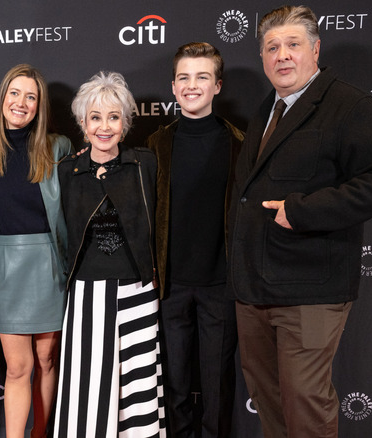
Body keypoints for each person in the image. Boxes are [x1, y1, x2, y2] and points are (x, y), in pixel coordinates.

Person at [228, 6, 372, 438]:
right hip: (254, 289)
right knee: (269, 402)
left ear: (315, 49)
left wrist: (303, 210)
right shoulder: (267, 110)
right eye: (272, 47)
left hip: (310, 288)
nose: (282, 55)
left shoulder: (349, 105)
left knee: (305, 403)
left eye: (293, 45)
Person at [55, 71, 166, 438]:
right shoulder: (67, 172)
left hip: (137, 290)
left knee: (139, 386)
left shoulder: (144, 164)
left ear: (126, 123)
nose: (105, 127)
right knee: (86, 394)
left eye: (114, 117)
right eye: (96, 117)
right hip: (86, 293)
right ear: (83, 123)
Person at [146, 42, 243, 438]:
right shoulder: (156, 144)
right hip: (169, 285)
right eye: (184, 77)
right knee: (175, 382)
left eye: (202, 77)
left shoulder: (240, 144)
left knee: (218, 383)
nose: (192, 85)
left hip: (221, 284)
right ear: (172, 86)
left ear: (217, 85)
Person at [0, 64, 71, 438]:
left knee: (46, 360)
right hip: (7, 268)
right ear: (2, 97)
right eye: (15, 93)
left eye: (30, 96)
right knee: (17, 367)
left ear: (39, 105)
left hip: (49, 263)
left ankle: (41, 433)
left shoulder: (58, 147)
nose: (21, 102)